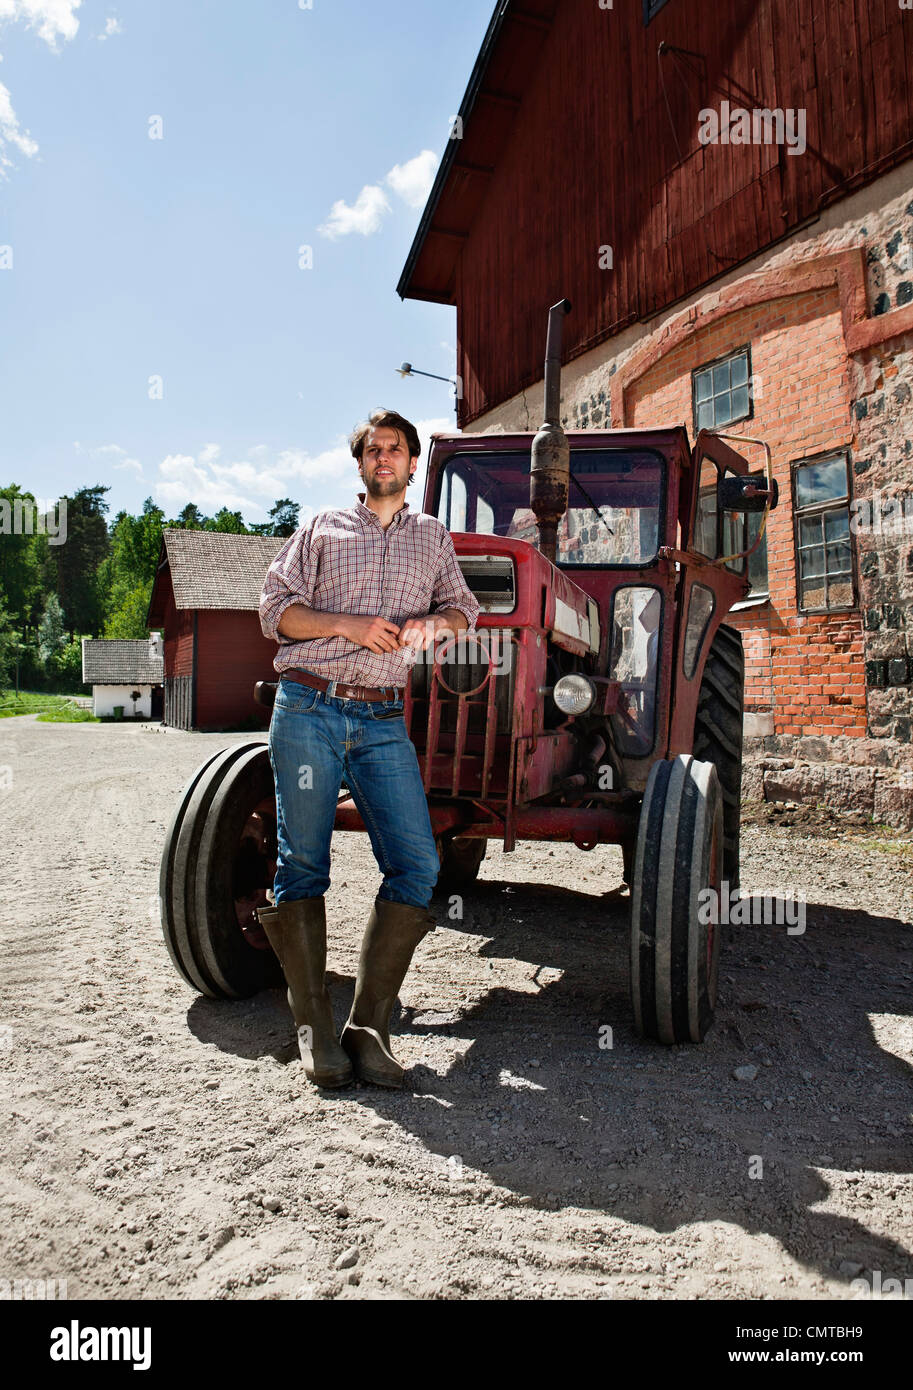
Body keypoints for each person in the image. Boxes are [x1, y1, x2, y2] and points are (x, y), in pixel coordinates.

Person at [257, 408, 480, 1089]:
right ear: (359, 464)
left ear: (413, 464)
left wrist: (432, 627)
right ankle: (312, 1029)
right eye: (373, 449)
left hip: (382, 719)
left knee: (416, 863)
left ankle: (369, 1027)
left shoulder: (432, 537)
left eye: (396, 449)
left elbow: (464, 610)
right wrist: (346, 626)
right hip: (308, 707)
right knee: (303, 862)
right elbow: (274, 610)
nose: (384, 458)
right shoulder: (321, 528)